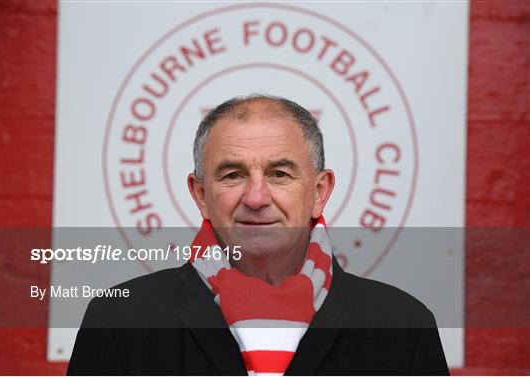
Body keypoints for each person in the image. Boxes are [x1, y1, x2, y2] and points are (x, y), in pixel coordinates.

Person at [68, 94, 449, 375]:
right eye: (232, 175)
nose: (255, 197)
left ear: (319, 192)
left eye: (279, 173)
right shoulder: (119, 321)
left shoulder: (404, 326)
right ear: (201, 195)